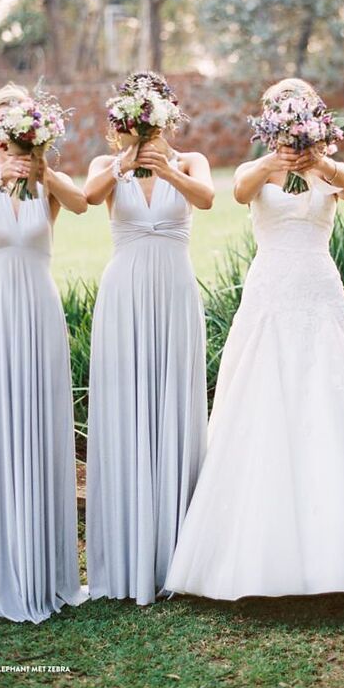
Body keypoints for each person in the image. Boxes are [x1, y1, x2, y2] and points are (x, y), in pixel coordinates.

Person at [165, 78, 344, 600]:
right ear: (270, 122)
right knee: (261, 403)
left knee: (332, 402)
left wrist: (318, 160)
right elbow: (241, 190)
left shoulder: (325, 167)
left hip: (318, 291)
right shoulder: (260, 168)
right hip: (271, 293)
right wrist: (276, 162)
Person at [0, 82, 87, 622]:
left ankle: (45, 566)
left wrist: (43, 171)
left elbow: (81, 204)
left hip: (37, 309)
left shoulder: (48, 184)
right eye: (7, 130)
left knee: (37, 426)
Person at [83, 72, 213, 605]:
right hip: (126, 292)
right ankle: (127, 557)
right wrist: (126, 159)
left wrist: (168, 169)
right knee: (128, 407)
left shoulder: (190, 161)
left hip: (176, 290)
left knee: (174, 406)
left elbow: (206, 199)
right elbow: (89, 197)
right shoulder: (105, 165)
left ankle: (178, 554)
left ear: (170, 117)